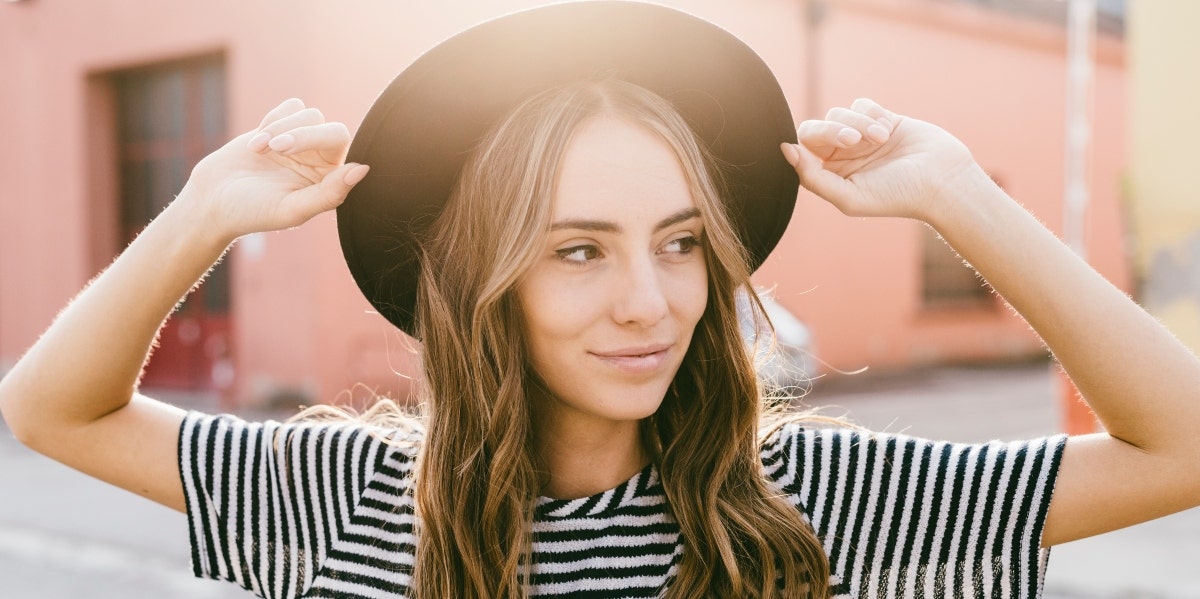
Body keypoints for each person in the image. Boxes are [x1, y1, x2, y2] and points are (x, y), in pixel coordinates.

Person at [1, 2, 1198, 598]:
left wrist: (959, 199)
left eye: (680, 243)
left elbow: (1181, 448)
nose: (652, 301)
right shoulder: (344, 491)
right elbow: (53, 410)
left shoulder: (814, 499)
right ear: (483, 281)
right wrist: (202, 210)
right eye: (577, 250)